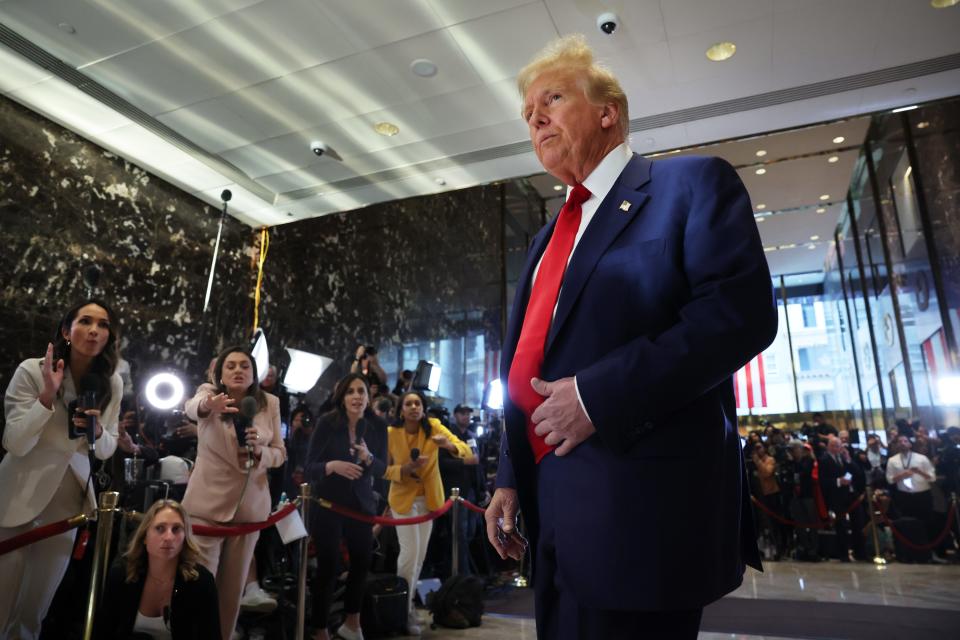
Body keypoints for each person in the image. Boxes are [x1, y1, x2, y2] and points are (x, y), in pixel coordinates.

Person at [483, 35, 777, 639]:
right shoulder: (544, 240)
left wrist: (597, 396)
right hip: (552, 520)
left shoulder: (691, 186)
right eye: (527, 112)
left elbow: (738, 314)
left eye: (553, 98)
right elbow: (530, 359)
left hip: (642, 521)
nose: (534, 117)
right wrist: (510, 474)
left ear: (607, 112)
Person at [0, 300, 123, 639]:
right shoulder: (32, 369)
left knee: (33, 611)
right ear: (67, 331)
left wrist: (97, 431)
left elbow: (108, 446)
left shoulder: (111, 384)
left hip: (68, 506)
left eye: (103, 324)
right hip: (17, 495)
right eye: (85, 321)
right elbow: (15, 442)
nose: (94, 330)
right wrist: (46, 397)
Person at [181, 346, 287, 640]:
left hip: (249, 511)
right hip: (206, 509)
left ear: (254, 373)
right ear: (220, 374)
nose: (238, 370)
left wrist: (262, 452)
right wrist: (208, 406)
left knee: (230, 595)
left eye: (244, 366)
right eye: (231, 366)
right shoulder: (208, 394)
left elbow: (280, 453)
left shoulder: (270, 403)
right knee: (199, 590)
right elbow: (193, 406)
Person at [304, 373, 387, 640]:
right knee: (328, 566)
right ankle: (320, 628)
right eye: (350, 391)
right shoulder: (327, 423)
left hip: (361, 505)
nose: (356, 396)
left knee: (362, 564)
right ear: (342, 397)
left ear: (368, 396)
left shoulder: (376, 425)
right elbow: (309, 468)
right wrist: (332, 466)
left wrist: (369, 457)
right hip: (328, 504)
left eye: (361, 391)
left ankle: (352, 623)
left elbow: (383, 467)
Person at [385, 390, 472, 635]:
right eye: (408, 403)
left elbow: (463, 448)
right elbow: (382, 469)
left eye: (418, 403)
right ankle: (403, 611)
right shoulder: (391, 434)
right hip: (403, 500)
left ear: (423, 408)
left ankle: (408, 606)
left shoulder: (433, 426)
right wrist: (404, 469)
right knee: (409, 554)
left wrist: (449, 446)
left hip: (429, 499)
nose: (414, 407)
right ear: (401, 409)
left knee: (419, 558)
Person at [94, 499, 221, 639]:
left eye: (176, 529)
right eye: (160, 528)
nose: (168, 537)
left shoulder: (201, 581)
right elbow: (103, 632)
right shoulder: (122, 575)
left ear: (185, 537)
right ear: (145, 537)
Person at [818, 437, 866, 561]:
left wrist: (849, 459)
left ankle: (860, 552)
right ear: (828, 447)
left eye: (838, 446)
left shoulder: (845, 459)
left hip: (852, 495)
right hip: (837, 497)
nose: (836, 448)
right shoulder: (824, 460)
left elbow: (858, 473)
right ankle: (843, 554)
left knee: (858, 524)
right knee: (842, 526)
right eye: (833, 446)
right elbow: (823, 481)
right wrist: (839, 481)